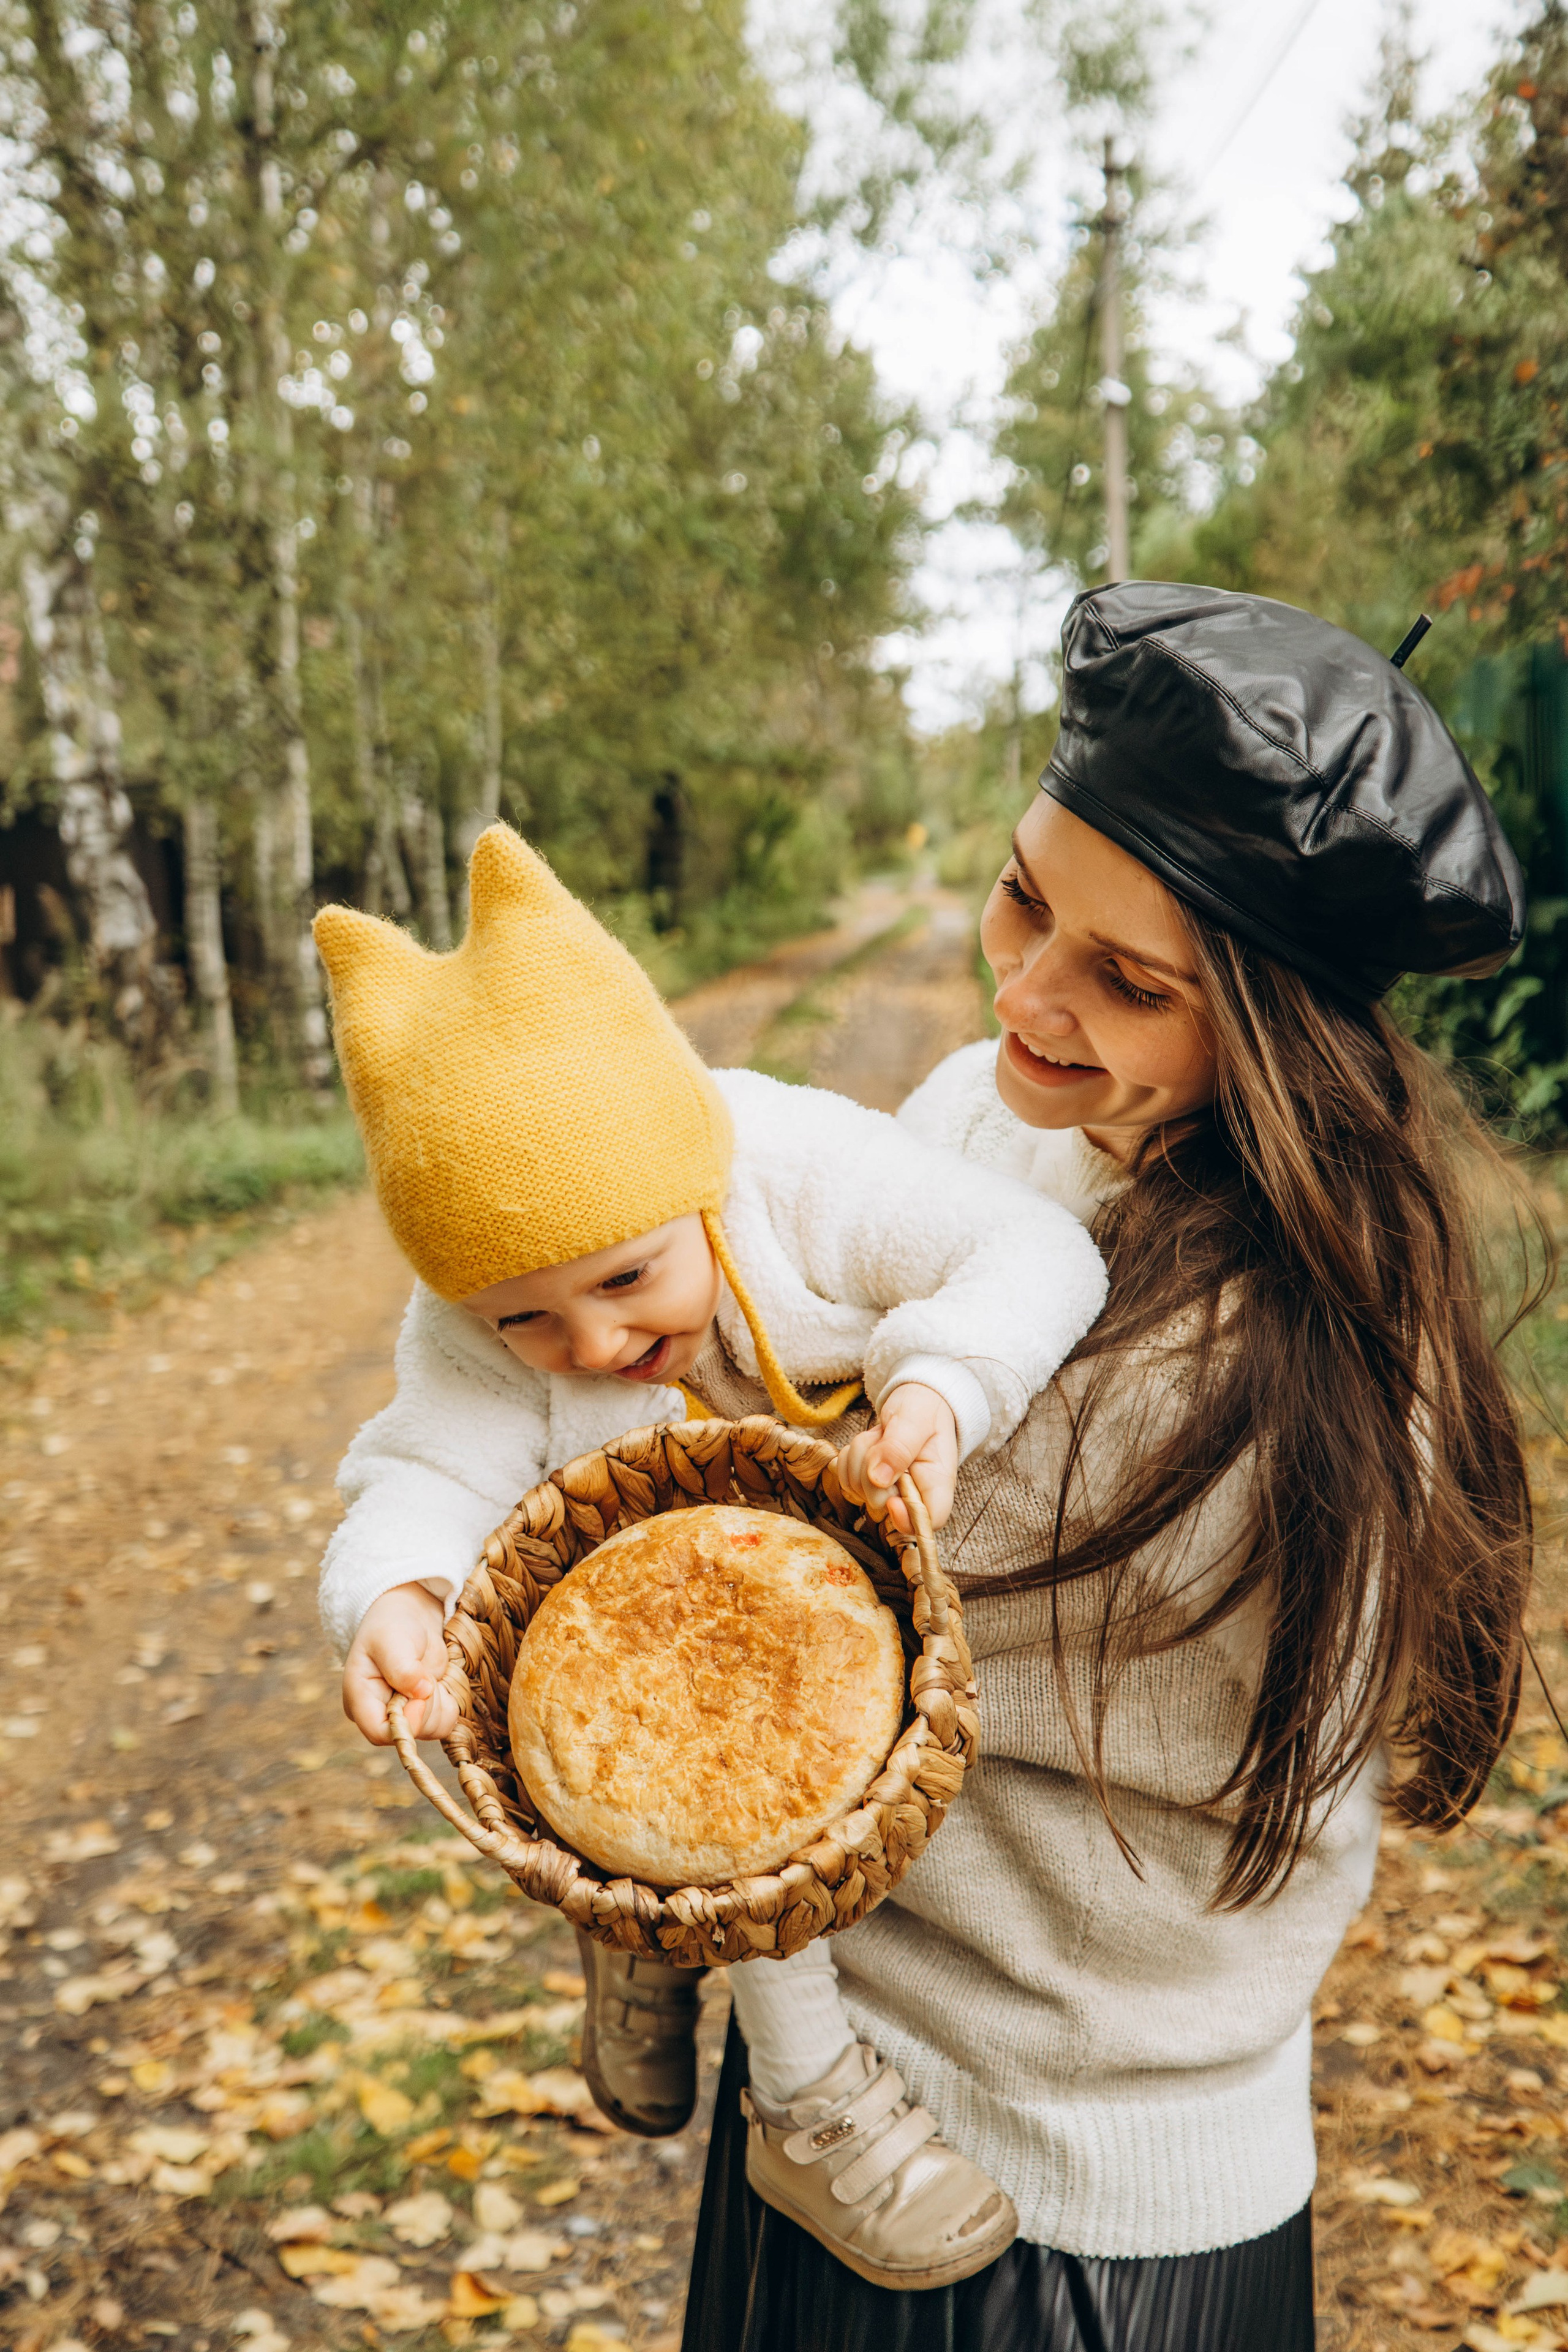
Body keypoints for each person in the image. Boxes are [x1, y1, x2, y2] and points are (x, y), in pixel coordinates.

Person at [680, 581, 1542, 2352]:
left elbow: (773, 1566)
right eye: (1023, 898)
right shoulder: (1000, 1113)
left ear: (1279, 1040)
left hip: (1028, 2231)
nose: (1027, 991)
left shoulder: (1260, 1362)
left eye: (1128, 982)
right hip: (876, 2136)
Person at [312, 821, 1110, 2291]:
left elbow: (1031, 1255)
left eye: (625, 1280)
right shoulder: (482, 1302)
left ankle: (644, 1934)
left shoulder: (793, 1165)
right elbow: (424, 1462)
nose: (595, 1344)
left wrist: (939, 1384)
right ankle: (807, 2111)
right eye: (526, 1325)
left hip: (819, 1565)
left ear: (692, 1171)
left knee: (795, 1774)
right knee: (737, 1847)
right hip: (640, 1624)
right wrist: (398, 1593)